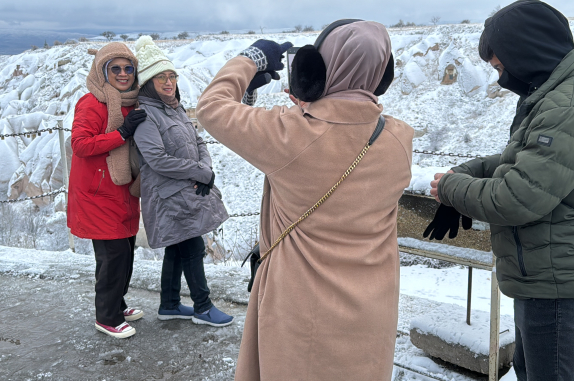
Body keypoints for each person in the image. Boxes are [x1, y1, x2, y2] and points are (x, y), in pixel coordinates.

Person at [195, 20, 414, 381]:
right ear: (381, 74)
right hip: (370, 308)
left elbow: (212, 107)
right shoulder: (399, 139)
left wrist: (250, 61)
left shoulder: (289, 133)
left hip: (301, 309)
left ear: (317, 70)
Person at [427, 0, 574, 381]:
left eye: (502, 68)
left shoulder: (567, 107)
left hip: (558, 285)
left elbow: (516, 197)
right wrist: (466, 172)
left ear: (528, 54)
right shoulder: (557, 94)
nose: (501, 79)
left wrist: (453, 188)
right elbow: (524, 159)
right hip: (547, 276)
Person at [131, 36, 234, 327]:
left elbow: (198, 140)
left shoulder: (175, 107)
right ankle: (203, 307)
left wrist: (206, 169)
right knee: (192, 247)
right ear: (148, 82)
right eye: (160, 77)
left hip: (185, 188)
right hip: (167, 195)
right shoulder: (144, 114)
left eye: (171, 75)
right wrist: (198, 173)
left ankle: (170, 303)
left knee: (178, 247)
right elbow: (157, 159)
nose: (168, 82)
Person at [68, 43, 147, 339]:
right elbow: (80, 145)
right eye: (116, 68)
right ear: (102, 71)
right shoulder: (91, 103)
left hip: (123, 192)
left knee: (125, 252)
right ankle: (107, 316)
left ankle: (118, 303)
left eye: (128, 68)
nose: (123, 74)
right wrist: (122, 133)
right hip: (97, 194)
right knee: (112, 256)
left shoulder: (132, 102)